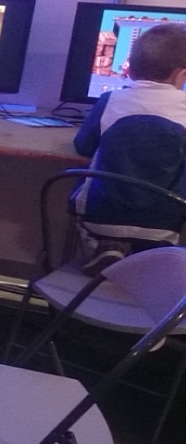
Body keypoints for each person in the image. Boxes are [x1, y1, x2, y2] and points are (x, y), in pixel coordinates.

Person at [71, 22, 186, 275]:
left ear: (130, 68)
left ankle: (109, 248)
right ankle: (145, 264)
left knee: (91, 196)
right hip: (162, 224)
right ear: (181, 75)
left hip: (100, 218)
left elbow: (84, 146)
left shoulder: (110, 100)